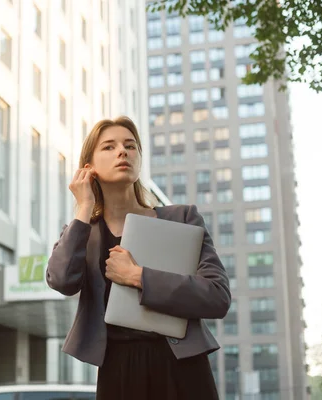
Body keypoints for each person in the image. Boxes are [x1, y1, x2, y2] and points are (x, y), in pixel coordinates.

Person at [46, 116, 231, 399]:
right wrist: (84, 208)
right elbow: (61, 281)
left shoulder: (182, 219)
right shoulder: (82, 233)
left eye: (130, 146)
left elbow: (217, 296)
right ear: (89, 168)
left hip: (183, 366)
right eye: (109, 147)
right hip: (118, 370)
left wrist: (138, 276)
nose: (122, 151)